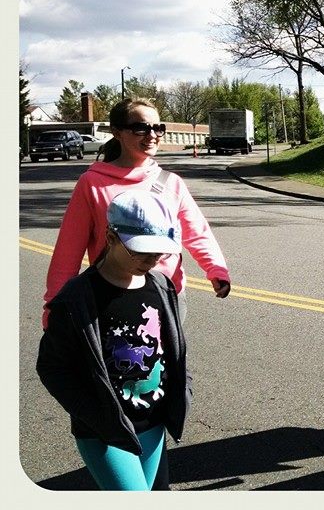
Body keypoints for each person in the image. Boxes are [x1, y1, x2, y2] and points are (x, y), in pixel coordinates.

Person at [36, 190, 191, 490]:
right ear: (110, 237)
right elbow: (52, 368)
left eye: (160, 251)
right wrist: (95, 416)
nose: (152, 259)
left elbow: (173, 348)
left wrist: (183, 388)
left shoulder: (161, 286)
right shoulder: (76, 300)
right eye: (140, 250)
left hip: (154, 424)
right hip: (106, 433)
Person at [43, 98, 230, 331]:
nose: (152, 135)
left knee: (168, 366)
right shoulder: (92, 184)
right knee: (121, 364)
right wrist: (54, 305)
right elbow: (68, 249)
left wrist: (216, 269)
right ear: (117, 132)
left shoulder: (172, 183)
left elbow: (197, 233)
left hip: (167, 293)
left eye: (157, 128)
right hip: (113, 296)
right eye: (141, 127)